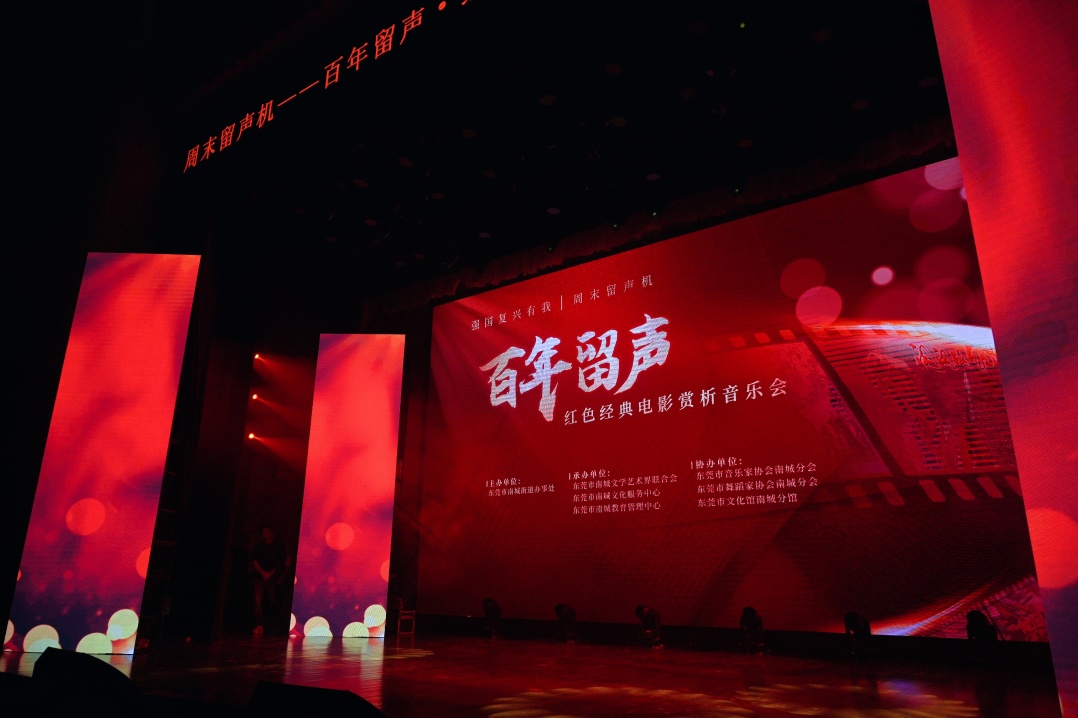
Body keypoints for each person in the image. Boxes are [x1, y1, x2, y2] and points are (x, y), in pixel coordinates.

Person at [249, 526, 286, 635]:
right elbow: (254, 561)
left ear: (271, 533)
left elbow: (280, 562)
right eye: (263, 532)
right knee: (258, 601)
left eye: (266, 532)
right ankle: (259, 625)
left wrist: (270, 574)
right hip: (259, 577)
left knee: (271, 601)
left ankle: (270, 626)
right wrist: (262, 573)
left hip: (272, 578)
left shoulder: (278, 547)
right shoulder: (258, 547)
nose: (264, 534)